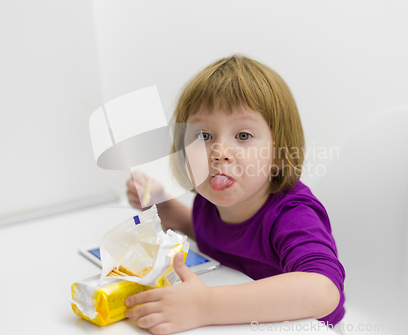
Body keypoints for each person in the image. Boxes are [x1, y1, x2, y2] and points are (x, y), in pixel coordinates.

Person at [125, 54, 345, 335]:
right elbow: (220, 237)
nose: (219, 153)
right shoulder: (210, 204)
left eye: (242, 136)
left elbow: (323, 290)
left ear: (278, 155)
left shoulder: (292, 215)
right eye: (203, 136)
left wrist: (206, 306)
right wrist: (165, 208)